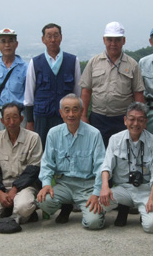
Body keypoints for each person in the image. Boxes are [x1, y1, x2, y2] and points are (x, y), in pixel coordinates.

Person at [36, 94, 106, 230]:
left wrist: (96, 193)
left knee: (94, 223)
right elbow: (47, 163)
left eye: (75, 109)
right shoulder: (53, 133)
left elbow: (101, 167)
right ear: (61, 113)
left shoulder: (94, 134)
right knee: (43, 201)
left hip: (87, 186)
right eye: (66, 110)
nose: (71, 114)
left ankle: (96, 210)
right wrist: (46, 184)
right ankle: (66, 206)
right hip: (65, 184)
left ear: (82, 111)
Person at [98, 102, 153, 232]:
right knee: (96, 207)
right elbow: (106, 167)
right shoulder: (115, 139)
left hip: (145, 190)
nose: (135, 123)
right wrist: (105, 187)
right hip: (123, 189)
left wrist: (152, 199)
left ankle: (145, 210)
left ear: (146, 122)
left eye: (140, 120)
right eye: (132, 119)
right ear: (125, 120)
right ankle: (123, 208)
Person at [0, 103, 42, 233]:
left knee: (24, 208)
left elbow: (33, 170)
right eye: (7, 118)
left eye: (15, 117)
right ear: (2, 121)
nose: (11, 122)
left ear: (21, 119)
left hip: (26, 186)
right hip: (3, 185)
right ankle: (10, 209)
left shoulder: (33, 138)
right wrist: (0, 193)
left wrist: (14, 189)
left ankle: (22, 211)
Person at [80, 21, 145, 147]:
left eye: (117, 40)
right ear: (104, 40)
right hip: (98, 118)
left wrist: (140, 119)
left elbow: (138, 94)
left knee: (123, 154)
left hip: (123, 119)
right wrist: (83, 116)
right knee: (99, 153)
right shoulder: (94, 62)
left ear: (123, 41)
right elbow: (86, 91)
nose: (113, 44)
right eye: (110, 40)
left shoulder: (132, 64)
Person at [24, 23, 81, 147]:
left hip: (66, 116)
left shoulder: (73, 61)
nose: (53, 40)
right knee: (42, 150)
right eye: (49, 36)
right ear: (43, 39)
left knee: (67, 148)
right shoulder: (35, 62)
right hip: (42, 117)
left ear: (61, 37)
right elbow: (29, 96)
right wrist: (29, 121)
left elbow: (77, 93)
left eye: (56, 36)